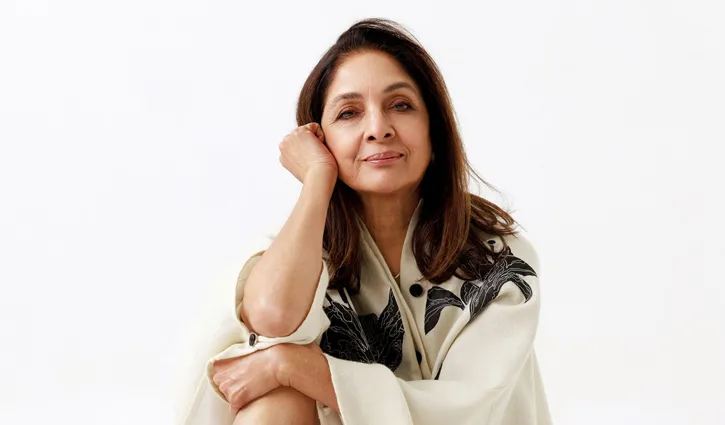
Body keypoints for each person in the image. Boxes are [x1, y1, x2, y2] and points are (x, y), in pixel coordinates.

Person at [180, 17, 551, 425]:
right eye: (349, 113)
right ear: (320, 139)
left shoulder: (498, 258)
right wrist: (316, 180)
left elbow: (467, 409)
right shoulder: (304, 253)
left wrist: (292, 365)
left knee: (284, 382)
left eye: (401, 105)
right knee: (275, 405)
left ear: (434, 130)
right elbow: (273, 319)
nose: (378, 129)